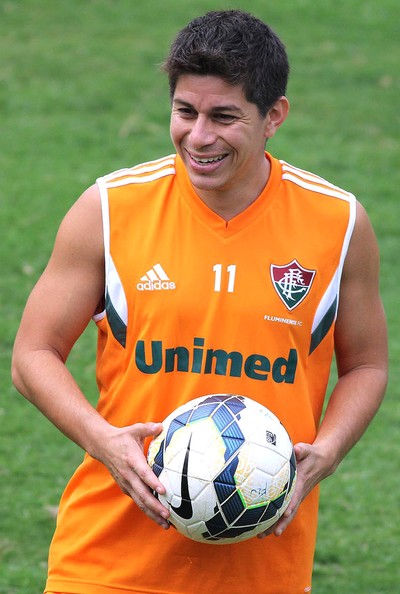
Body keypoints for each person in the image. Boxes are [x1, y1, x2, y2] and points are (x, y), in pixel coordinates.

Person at [12, 9, 388, 594]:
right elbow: (32, 354)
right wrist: (102, 440)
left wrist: (330, 450)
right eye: (185, 112)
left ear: (274, 117)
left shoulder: (338, 223)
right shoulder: (109, 210)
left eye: (224, 117)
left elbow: (366, 364)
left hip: (264, 571)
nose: (199, 136)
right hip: (106, 566)